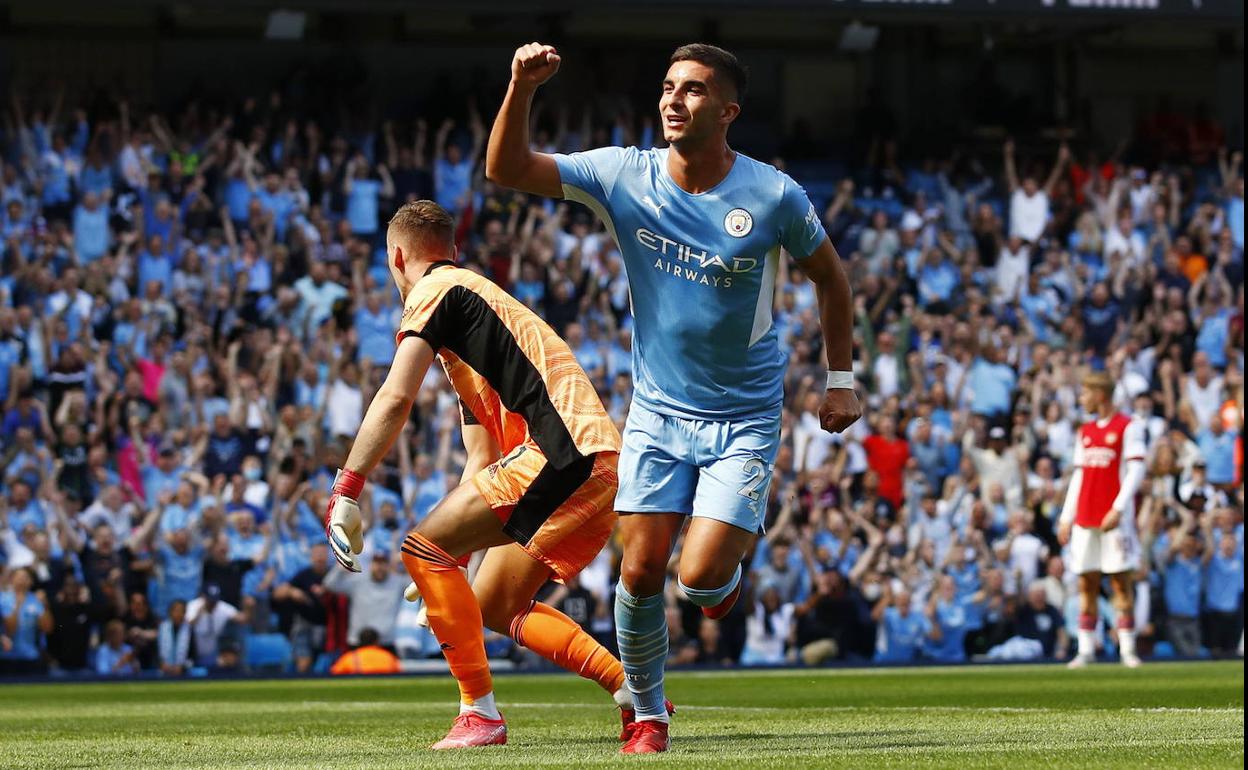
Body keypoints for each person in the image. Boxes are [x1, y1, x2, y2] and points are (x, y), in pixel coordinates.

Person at [485, 41, 860, 753]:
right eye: (666, 87)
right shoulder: (626, 174)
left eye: (691, 90)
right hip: (658, 412)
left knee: (700, 578)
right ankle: (647, 714)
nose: (673, 100)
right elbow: (504, 169)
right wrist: (520, 87)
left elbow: (831, 279)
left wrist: (841, 380)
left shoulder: (775, 195)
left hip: (745, 416)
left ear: (728, 110)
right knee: (640, 568)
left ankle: (721, 582)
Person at [321, 200, 632, 751]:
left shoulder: (434, 292)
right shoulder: (474, 316)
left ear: (396, 256)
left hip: (562, 450)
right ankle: (628, 690)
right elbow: (481, 457)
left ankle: (479, 715)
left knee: (421, 548)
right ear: (453, 249)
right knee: (493, 604)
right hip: (592, 457)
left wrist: (346, 488)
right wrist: (454, 569)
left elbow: (395, 397)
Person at [1057, 371, 1147, 669]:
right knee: (1087, 582)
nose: (1082, 399)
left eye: (1086, 393)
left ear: (1100, 395)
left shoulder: (1129, 426)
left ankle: (1127, 649)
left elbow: (1136, 471)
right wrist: (1066, 516)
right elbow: (1079, 475)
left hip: (1113, 519)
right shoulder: (1085, 431)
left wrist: (1119, 508)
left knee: (1121, 582)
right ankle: (1085, 649)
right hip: (1085, 517)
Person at [330, 626, 402, 675]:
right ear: (376, 641)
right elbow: (400, 674)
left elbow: (334, 673)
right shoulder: (388, 657)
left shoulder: (350, 657)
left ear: (359, 641)